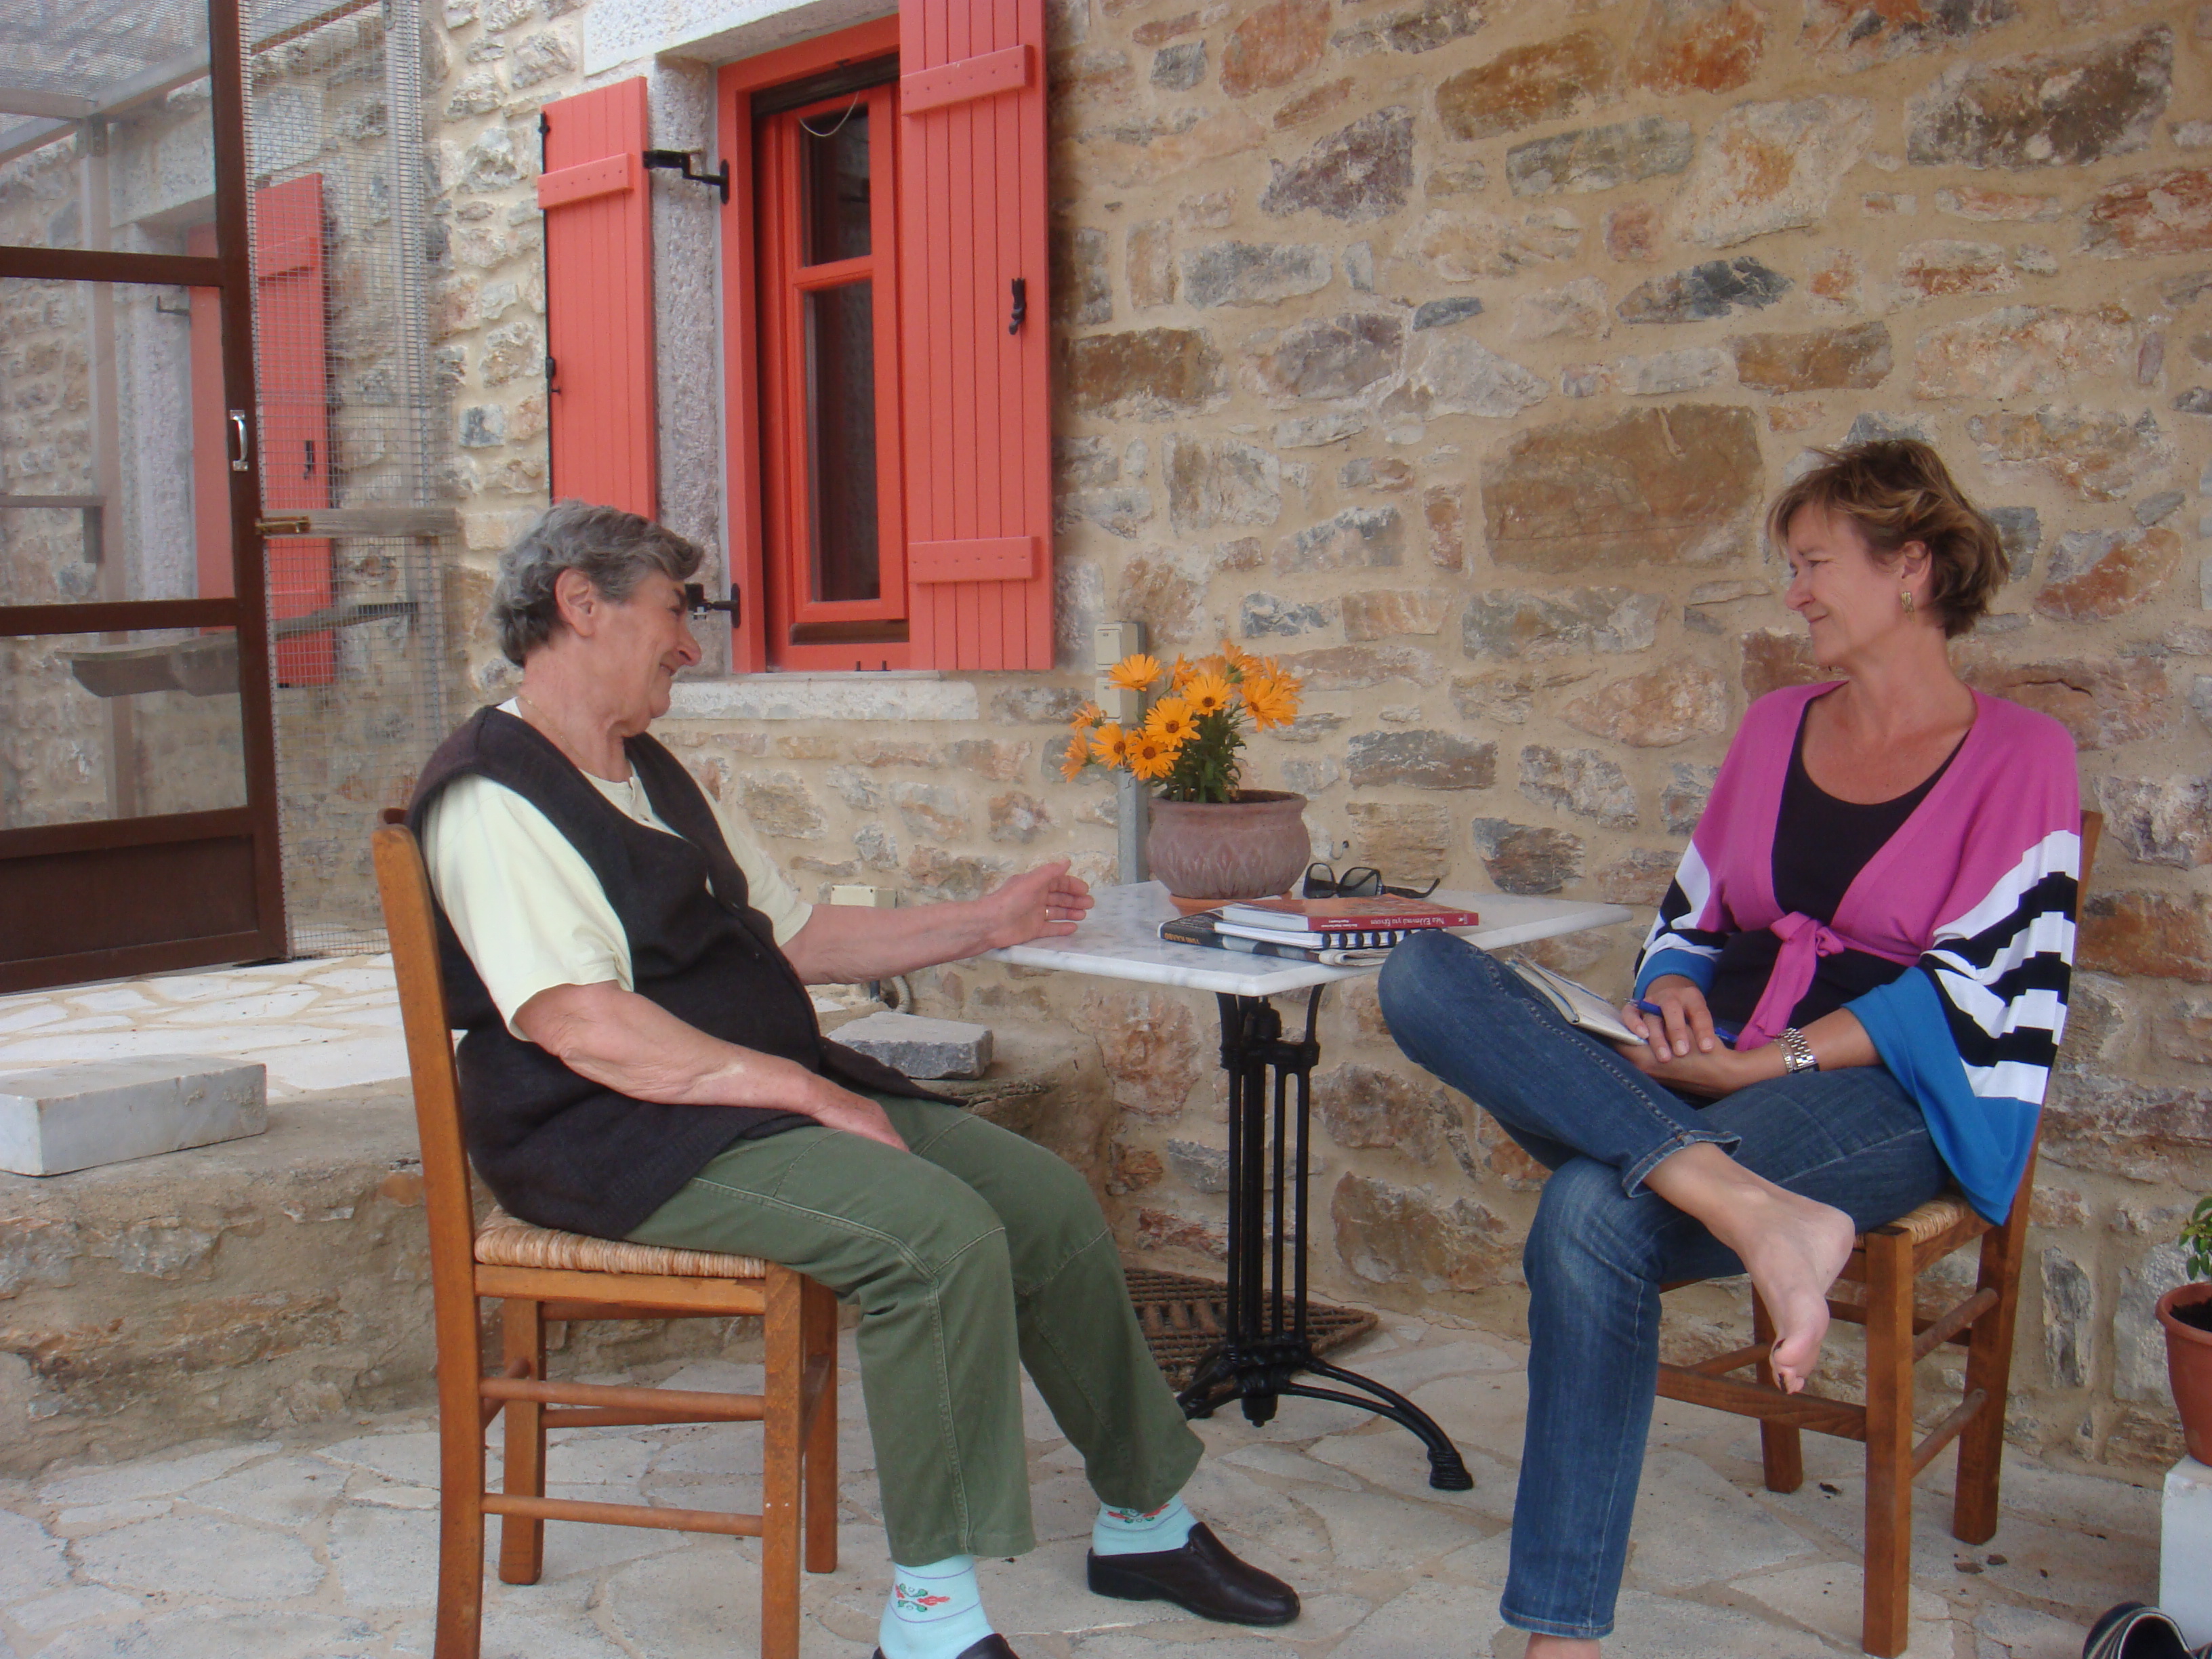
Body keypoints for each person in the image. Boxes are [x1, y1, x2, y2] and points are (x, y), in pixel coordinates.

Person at [407, 501, 1300, 1659]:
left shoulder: (650, 773)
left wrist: (986, 921)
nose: (691, 643)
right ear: (582, 605)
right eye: (675, 611)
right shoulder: (491, 794)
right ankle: (932, 1619)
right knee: (932, 1239)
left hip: (738, 1102)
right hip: (610, 1134)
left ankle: (1145, 1522)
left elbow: (798, 935)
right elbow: (585, 1026)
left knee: (1043, 1201)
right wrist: (812, 1094)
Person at [1376, 440, 2079, 1655]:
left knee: (1589, 1212)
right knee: (1420, 972)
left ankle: (1559, 1639)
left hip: (1882, 1099)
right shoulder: (1773, 728)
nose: (1794, 593)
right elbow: (1692, 917)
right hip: (1710, 1072)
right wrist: (1671, 998)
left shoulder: (2023, 756)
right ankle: (1751, 1207)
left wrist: (1760, 1064)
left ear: (1911, 567)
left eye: (1813, 564)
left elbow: (1981, 993)